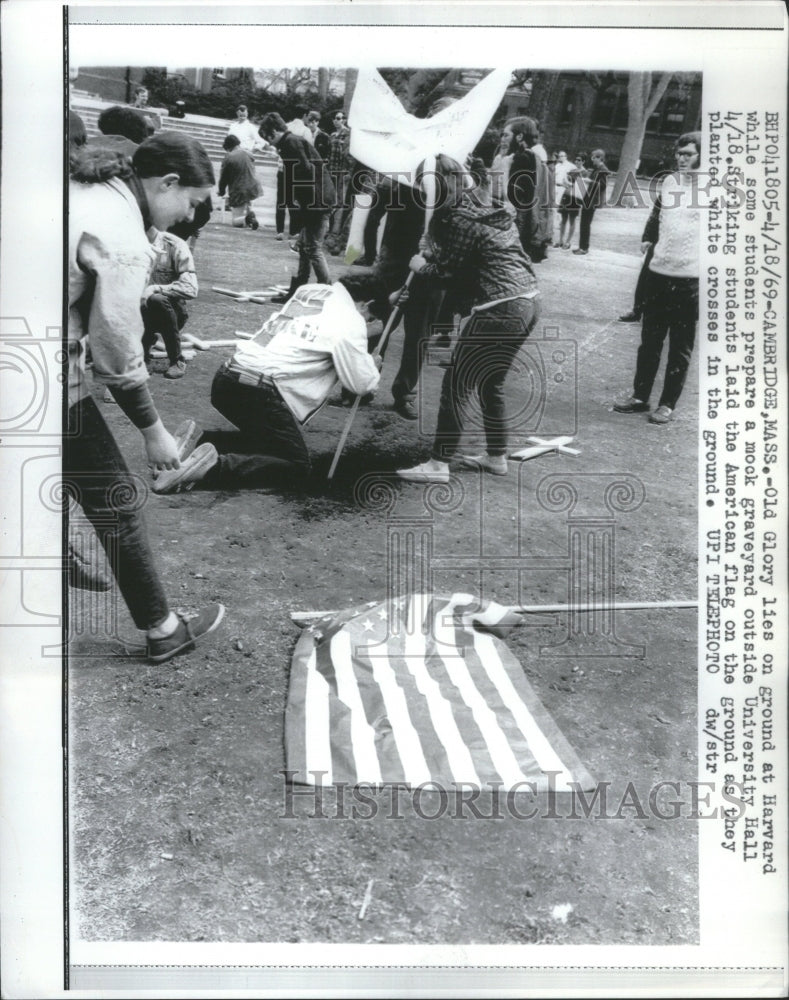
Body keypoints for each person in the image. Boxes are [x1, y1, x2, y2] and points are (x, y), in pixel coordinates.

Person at [68, 132, 225, 661]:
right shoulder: (124, 235)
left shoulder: (87, 190)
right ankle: (163, 630)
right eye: (193, 202)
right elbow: (116, 348)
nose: (189, 216)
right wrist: (153, 431)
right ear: (168, 183)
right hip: (32, 373)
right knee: (115, 496)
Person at [152, 283, 381, 493]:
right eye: (370, 317)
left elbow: (326, 331)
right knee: (296, 465)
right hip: (259, 390)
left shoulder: (313, 290)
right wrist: (371, 365)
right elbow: (361, 384)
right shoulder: (351, 320)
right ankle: (210, 467)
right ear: (366, 304)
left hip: (228, 377)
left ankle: (199, 439)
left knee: (266, 442)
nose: (367, 322)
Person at [396, 155, 541, 483]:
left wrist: (422, 265)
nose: (423, 195)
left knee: (458, 383)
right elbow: (465, 257)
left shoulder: (459, 216)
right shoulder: (484, 202)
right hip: (528, 300)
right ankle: (496, 456)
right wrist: (433, 245)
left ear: (441, 185)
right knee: (491, 381)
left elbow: (448, 273)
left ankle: (438, 463)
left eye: (426, 189)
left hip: (499, 306)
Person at [340, 175, 452, 421]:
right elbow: (372, 215)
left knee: (418, 334)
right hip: (392, 267)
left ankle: (404, 394)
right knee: (378, 327)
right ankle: (359, 385)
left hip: (429, 269)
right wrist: (372, 255)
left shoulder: (450, 185)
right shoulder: (397, 179)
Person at [613, 132, 704, 425]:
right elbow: (657, 213)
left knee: (680, 346)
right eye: (680, 153)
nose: (682, 158)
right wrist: (648, 238)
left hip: (690, 279)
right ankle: (640, 397)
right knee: (649, 340)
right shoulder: (669, 182)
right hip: (658, 275)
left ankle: (667, 404)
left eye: (688, 154)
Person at [259, 112, 335, 303]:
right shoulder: (292, 142)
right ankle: (299, 290)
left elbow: (305, 171)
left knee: (313, 248)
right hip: (316, 199)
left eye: (269, 138)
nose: (270, 143)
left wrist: (302, 206)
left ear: (275, 131)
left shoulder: (290, 143)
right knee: (304, 247)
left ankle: (327, 291)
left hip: (317, 202)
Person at [141, 227, 198, 379]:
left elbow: (191, 289)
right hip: (138, 312)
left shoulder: (174, 245)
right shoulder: (128, 243)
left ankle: (177, 360)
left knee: (156, 299)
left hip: (171, 313)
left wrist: (155, 288)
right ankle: (141, 357)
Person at [504, 116, 552, 263]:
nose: (502, 139)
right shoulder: (533, 157)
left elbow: (511, 196)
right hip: (528, 222)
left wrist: (504, 168)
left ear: (519, 137)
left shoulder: (521, 158)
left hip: (517, 223)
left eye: (506, 135)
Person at [217, 133, 261, 229]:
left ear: (228, 147)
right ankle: (250, 216)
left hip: (239, 189)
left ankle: (247, 218)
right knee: (247, 203)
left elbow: (223, 178)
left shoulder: (228, 157)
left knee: (236, 222)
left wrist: (221, 191)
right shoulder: (248, 153)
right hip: (253, 186)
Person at [573, 148, 610, 255]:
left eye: (593, 158)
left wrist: (590, 181)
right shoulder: (597, 168)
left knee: (585, 224)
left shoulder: (602, 169)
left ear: (599, 158)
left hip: (592, 200)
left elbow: (602, 185)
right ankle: (582, 246)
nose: (592, 160)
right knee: (584, 223)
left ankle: (584, 248)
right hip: (589, 199)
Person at [557, 154, 587, 249]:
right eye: (576, 160)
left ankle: (568, 241)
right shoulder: (571, 170)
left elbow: (582, 187)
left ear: (583, 162)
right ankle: (560, 240)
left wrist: (571, 184)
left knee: (572, 219)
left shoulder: (584, 172)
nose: (577, 162)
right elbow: (565, 181)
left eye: (579, 160)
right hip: (567, 195)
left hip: (575, 198)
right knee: (563, 219)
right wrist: (566, 184)